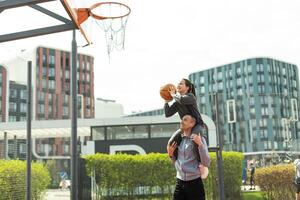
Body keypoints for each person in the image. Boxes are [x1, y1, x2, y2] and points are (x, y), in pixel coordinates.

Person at [167, 115, 210, 200]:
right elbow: (176, 161)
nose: (181, 122)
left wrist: (200, 145)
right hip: (180, 183)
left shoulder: (200, 139)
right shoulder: (179, 140)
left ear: (192, 123)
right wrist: (171, 155)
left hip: (195, 185)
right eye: (182, 120)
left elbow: (206, 162)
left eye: (185, 120)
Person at [164, 78, 205, 161]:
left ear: (187, 88)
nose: (178, 85)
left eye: (181, 84)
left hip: (197, 125)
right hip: (185, 127)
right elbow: (167, 114)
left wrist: (173, 95)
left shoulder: (191, 97)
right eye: (178, 84)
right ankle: (176, 161)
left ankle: (201, 163)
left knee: (193, 138)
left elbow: (182, 100)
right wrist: (166, 101)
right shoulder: (177, 102)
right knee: (171, 143)